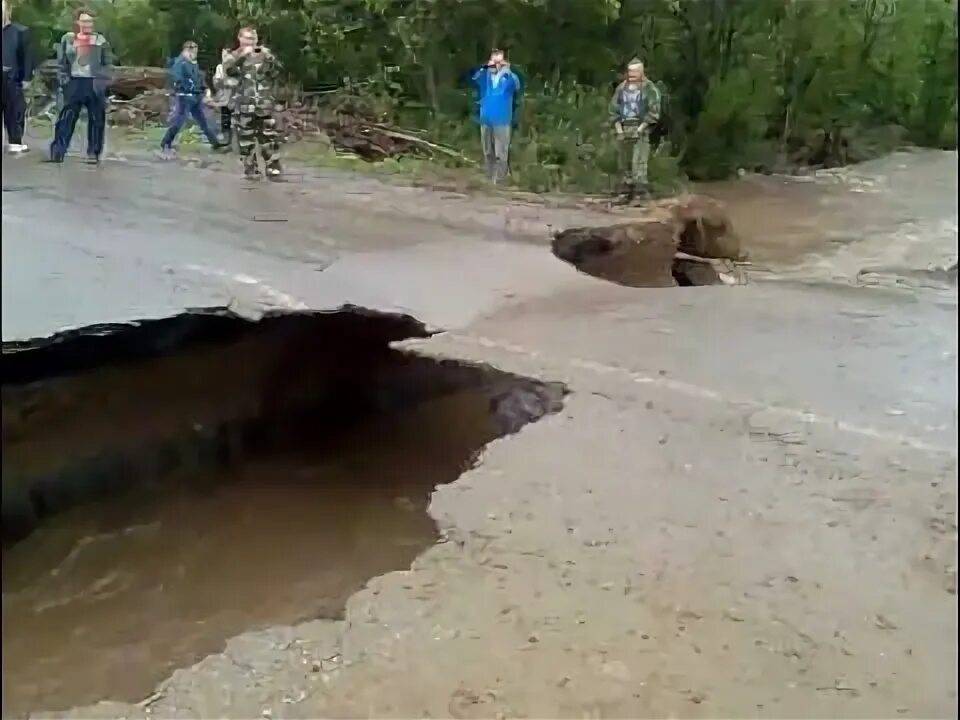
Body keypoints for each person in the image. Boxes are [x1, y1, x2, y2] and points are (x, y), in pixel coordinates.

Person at [48, 9, 112, 164]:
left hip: (94, 82)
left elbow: (108, 63)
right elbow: (62, 63)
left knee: (97, 120)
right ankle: (58, 151)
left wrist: (103, 82)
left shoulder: (100, 41)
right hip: (74, 82)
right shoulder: (68, 39)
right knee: (66, 118)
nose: (87, 24)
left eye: (89, 21)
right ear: (77, 23)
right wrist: (64, 81)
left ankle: (93, 153)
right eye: (84, 21)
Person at [221, 27, 283, 179]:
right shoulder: (233, 56)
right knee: (246, 139)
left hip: (263, 104)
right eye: (247, 38)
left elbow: (276, 73)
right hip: (244, 104)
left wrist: (270, 58)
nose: (251, 42)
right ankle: (250, 168)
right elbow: (229, 71)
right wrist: (242, 57)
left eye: (253, 39)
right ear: (240, 38)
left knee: (269, 137)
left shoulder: (263, 56)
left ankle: (272, 166)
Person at [159, 41, 225, 157]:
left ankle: (215, 143)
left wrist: (204, 90)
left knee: (204, 121)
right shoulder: (180, 63)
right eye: (193, 52)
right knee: (178, 122)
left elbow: (198, 77)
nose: (194, 54)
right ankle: (166, 143)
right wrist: (185, 88)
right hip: (185, 97)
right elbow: (177, 78)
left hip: (196, 97)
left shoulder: (193, 63)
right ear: (186, 50)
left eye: (196, 52)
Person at [609, 58, 661, 200]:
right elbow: (614, 110)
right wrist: (619, 129)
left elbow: (654, 111)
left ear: (641, 72)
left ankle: (640, 193)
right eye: (630, 71)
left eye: (635, 72)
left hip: (641, 128)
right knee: (623, 161)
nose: (632, 74)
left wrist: (641, 128)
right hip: (624, 127)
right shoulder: (621, 88)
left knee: (639, 161)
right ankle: (625, 192)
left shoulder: (649, 88)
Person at [471, 48, 521, 184]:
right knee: (487, 149)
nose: (495, 65)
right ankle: (488, 176)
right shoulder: (485, 77)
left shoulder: (508, 78)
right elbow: (474, 78)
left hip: (502, 118)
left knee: (501, 151)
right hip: (486, 117)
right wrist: (485, 68)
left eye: (498, 62)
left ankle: (501, 178)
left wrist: (508, 71)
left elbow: (517, 86)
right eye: (493, 61)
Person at [2, 0, 33, 154]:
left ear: (8, 11)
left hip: (12, 78)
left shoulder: (19, 31)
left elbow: (26, 57)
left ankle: (15, 140)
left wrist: (27, 77)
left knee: (15, 110)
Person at [210, 48, 237, 149]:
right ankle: (227, 141)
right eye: (223, 55)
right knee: (225, 118)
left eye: (226, 55)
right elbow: (217, 83)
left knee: (235, 119)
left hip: (234, 97)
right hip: (225, 97)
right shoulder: (220, 67)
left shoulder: (236, 67)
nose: (224, 57)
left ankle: (234, 141)